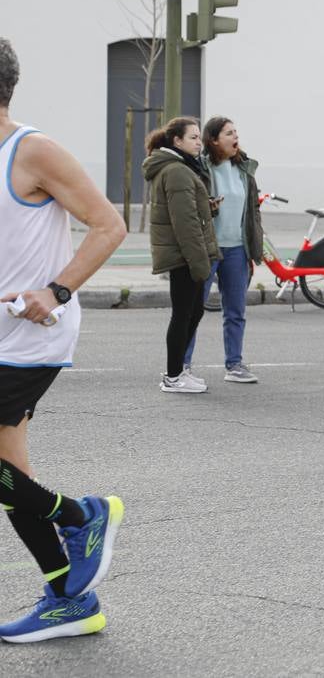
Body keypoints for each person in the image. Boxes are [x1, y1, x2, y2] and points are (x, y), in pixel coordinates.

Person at [0, 37, 128, 642]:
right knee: (10, 476)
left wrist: (56, 290)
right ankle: (69, 600)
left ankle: (82, 516)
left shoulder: (32, 151)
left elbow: (109, 225)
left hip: (29, 338)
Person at [183, 116, 264, 383]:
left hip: (237, 249)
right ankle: (182, 365)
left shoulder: (244, 168)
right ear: (214, 140)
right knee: (193, 310)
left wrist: (254, 243)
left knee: (236, 311)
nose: (235, 136)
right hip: (208, 249)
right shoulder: (200, 167)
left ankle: (234, 365)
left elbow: (253, 210)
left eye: (236, 132)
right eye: (229, 133)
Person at [144, 117, 220, 394]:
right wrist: (199, 263)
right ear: (177, 141)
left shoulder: (182, 167)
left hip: (186, 253)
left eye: (199, 137)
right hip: (183, 255)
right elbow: (185, 224)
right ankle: (174, 376)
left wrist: (208, 208)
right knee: (183, 314)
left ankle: (178, 371)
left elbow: (188, 211)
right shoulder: (177, 171)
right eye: (193, 137)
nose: (199, 142)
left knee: (193, 311)